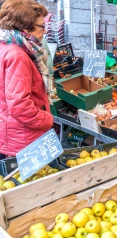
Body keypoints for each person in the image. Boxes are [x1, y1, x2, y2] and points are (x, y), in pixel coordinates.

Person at [0, 0, 53, 157]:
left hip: (11, 130)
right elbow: (20, 105)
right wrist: (47, 119)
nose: (44, 32)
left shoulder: (5, 46)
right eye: (41, 27)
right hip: (24, 137)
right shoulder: (18, 56)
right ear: (25, 27)